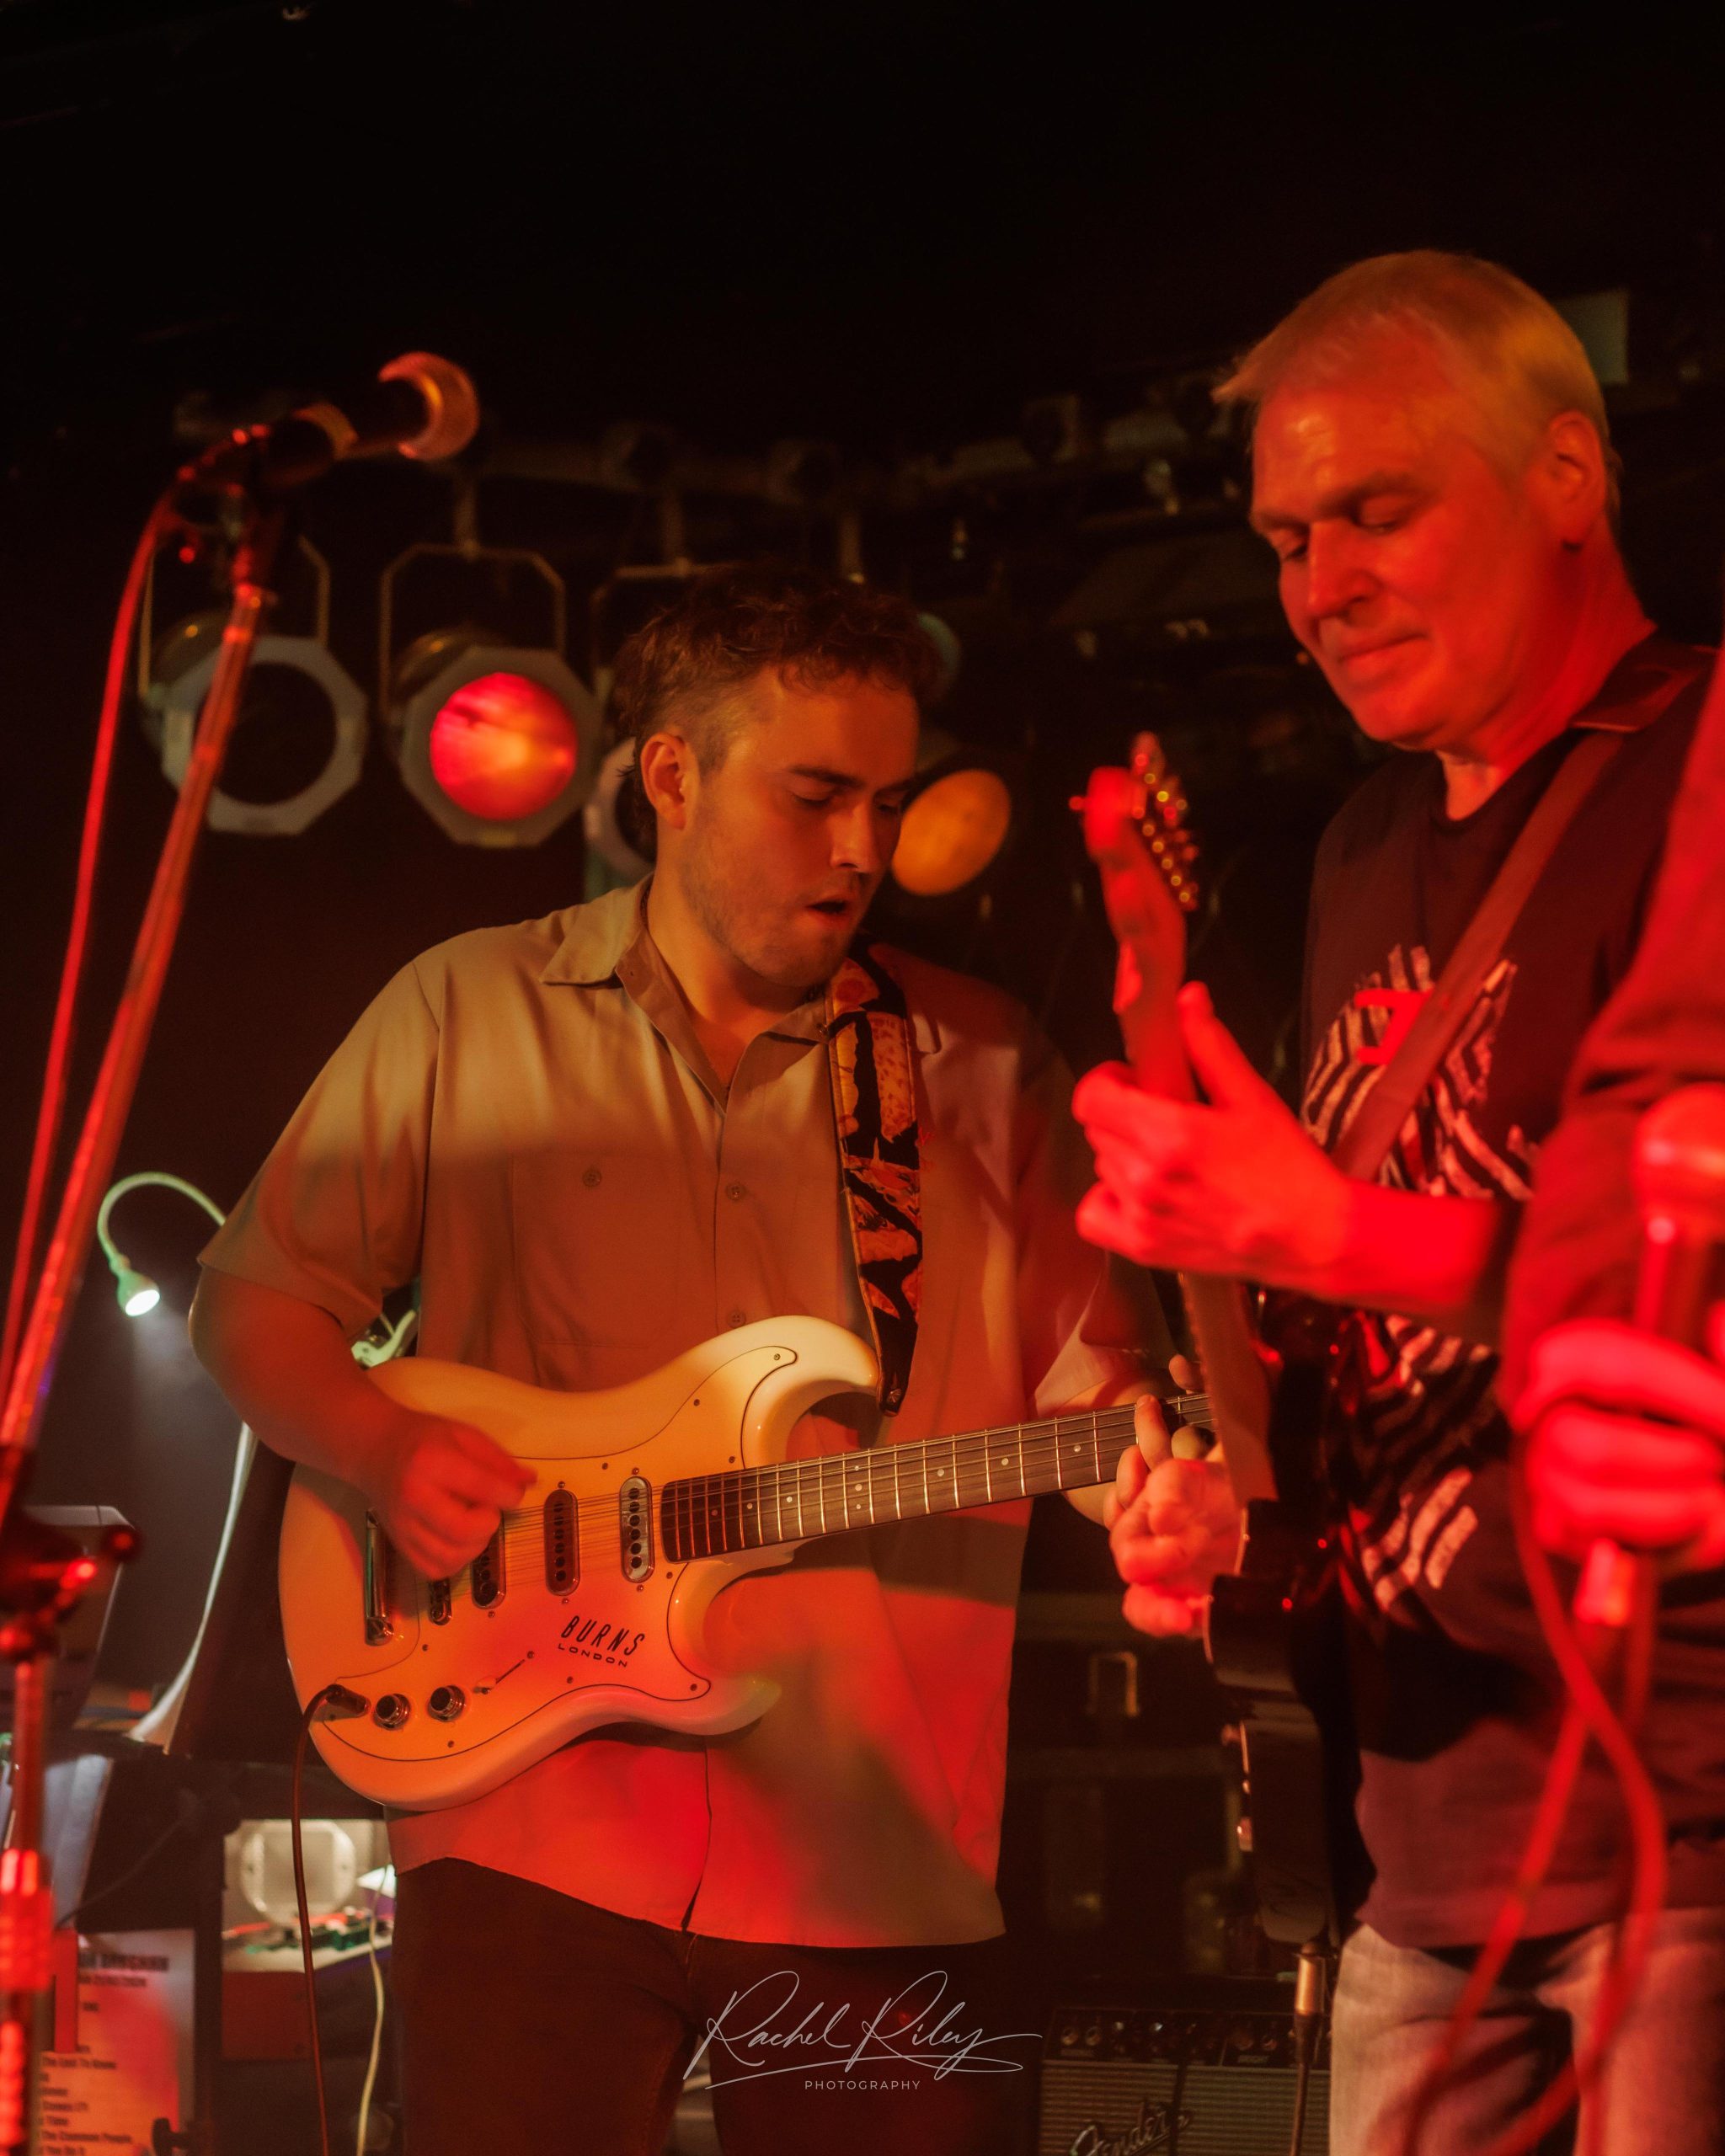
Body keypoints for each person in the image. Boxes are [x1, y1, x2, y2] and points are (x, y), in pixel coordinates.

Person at [190, 563, 1166, 2156]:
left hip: (873, 1840)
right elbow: (256, 1304)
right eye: (815, 794)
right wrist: (376, 1451)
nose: (864, 849)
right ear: (671, 775)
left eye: (887, 800)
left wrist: (1164, 1475)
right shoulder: (463, 1009)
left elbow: (1113, 1396)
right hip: (522, 1816)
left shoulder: (980, 1067)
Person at [1073, 251, 1724, 2152]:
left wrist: (1326, 1237)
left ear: (1566, 478)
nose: (1317, 585)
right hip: (1422, 1837)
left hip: (1681, 1822)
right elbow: (1381, 1316)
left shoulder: (1697, 773)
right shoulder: (1363, 848)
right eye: (1287, 535)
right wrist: (1236, 1494)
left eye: (1376, 510)